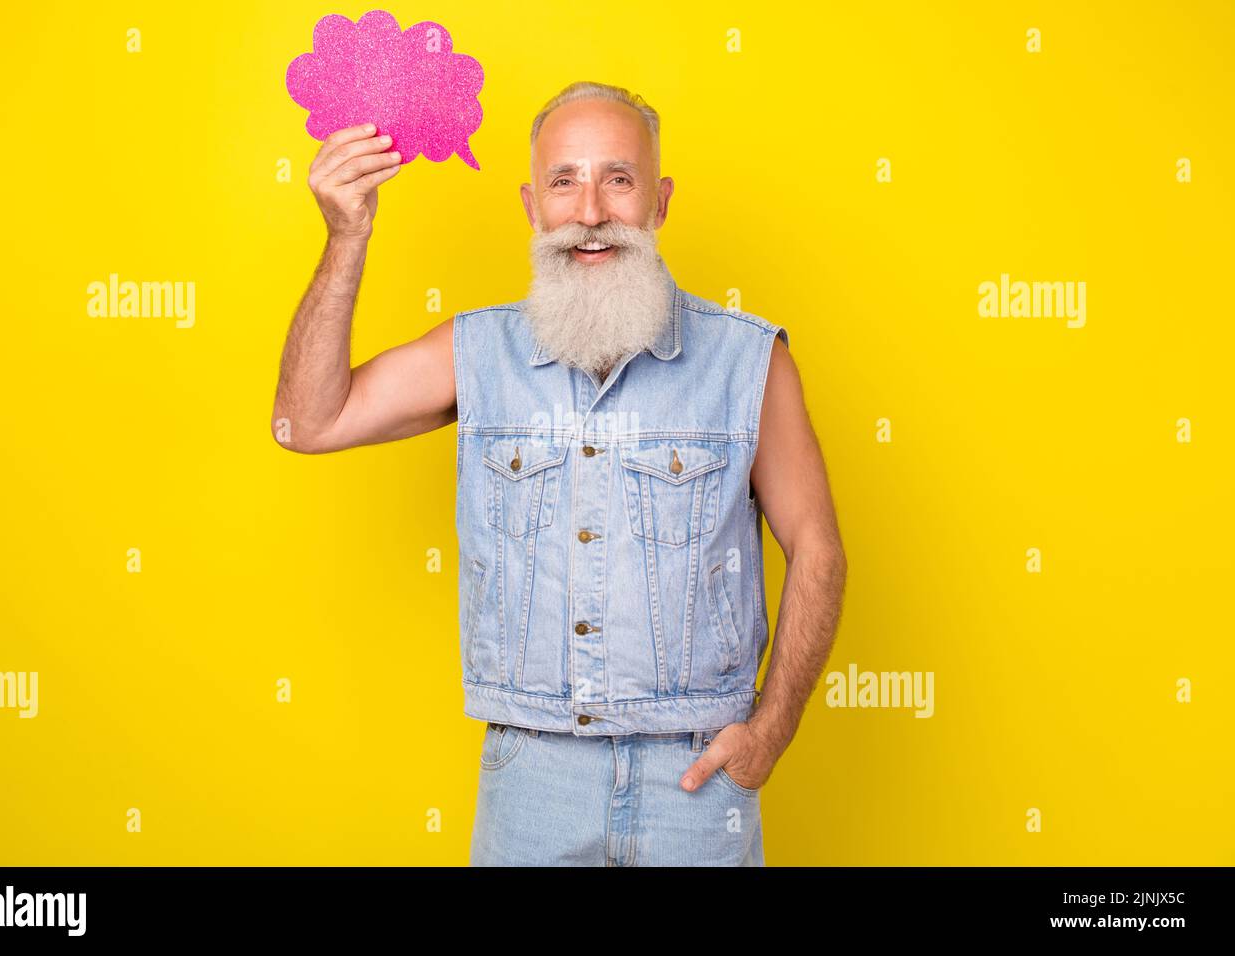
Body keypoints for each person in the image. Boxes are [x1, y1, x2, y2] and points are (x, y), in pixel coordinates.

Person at [271, 80, 848, 866]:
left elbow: (817, 548)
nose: (589, 212)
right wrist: (346, 237)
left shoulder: (749, 361)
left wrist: (770, 734)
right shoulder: (476, 353)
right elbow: (305, 423)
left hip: (698, 779)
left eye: (618, 178)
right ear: (530, 205)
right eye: (563, 181)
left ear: (660, 200)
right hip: (531, 780)